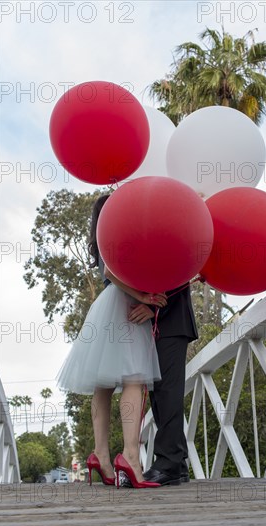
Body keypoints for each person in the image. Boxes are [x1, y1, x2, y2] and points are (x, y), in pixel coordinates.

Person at [57, 194, 167, 489]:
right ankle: (130, 458)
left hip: (105, 307)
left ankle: (101, 456)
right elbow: (110, 272)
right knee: (134, 380)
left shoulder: (101, 235)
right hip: (125, 303)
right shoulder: (119, 228)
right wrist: (144, 296)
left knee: (103, 385)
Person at [128, 283, 198, 486]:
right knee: (159, 395)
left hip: (172, 319)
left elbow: (180, 275)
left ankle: (168, 464)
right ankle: (178, 464)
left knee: (168, 393)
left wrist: (155, 307)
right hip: (158, 324)